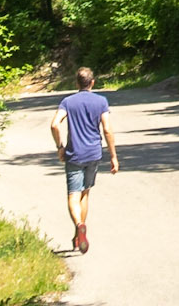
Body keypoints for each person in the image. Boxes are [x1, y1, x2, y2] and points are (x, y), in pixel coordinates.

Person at [50, 66, 118, 253]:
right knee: (85, 193)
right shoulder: (101, 102)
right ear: (92, 82)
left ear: (76, 83)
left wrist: (60, 147)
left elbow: (55, 125)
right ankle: (79, 231)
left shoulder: (68, 102)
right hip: (93, 153)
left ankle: (79, 225)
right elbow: (107, 129)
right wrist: (113, 156)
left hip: (75, 154)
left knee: (73, 194)